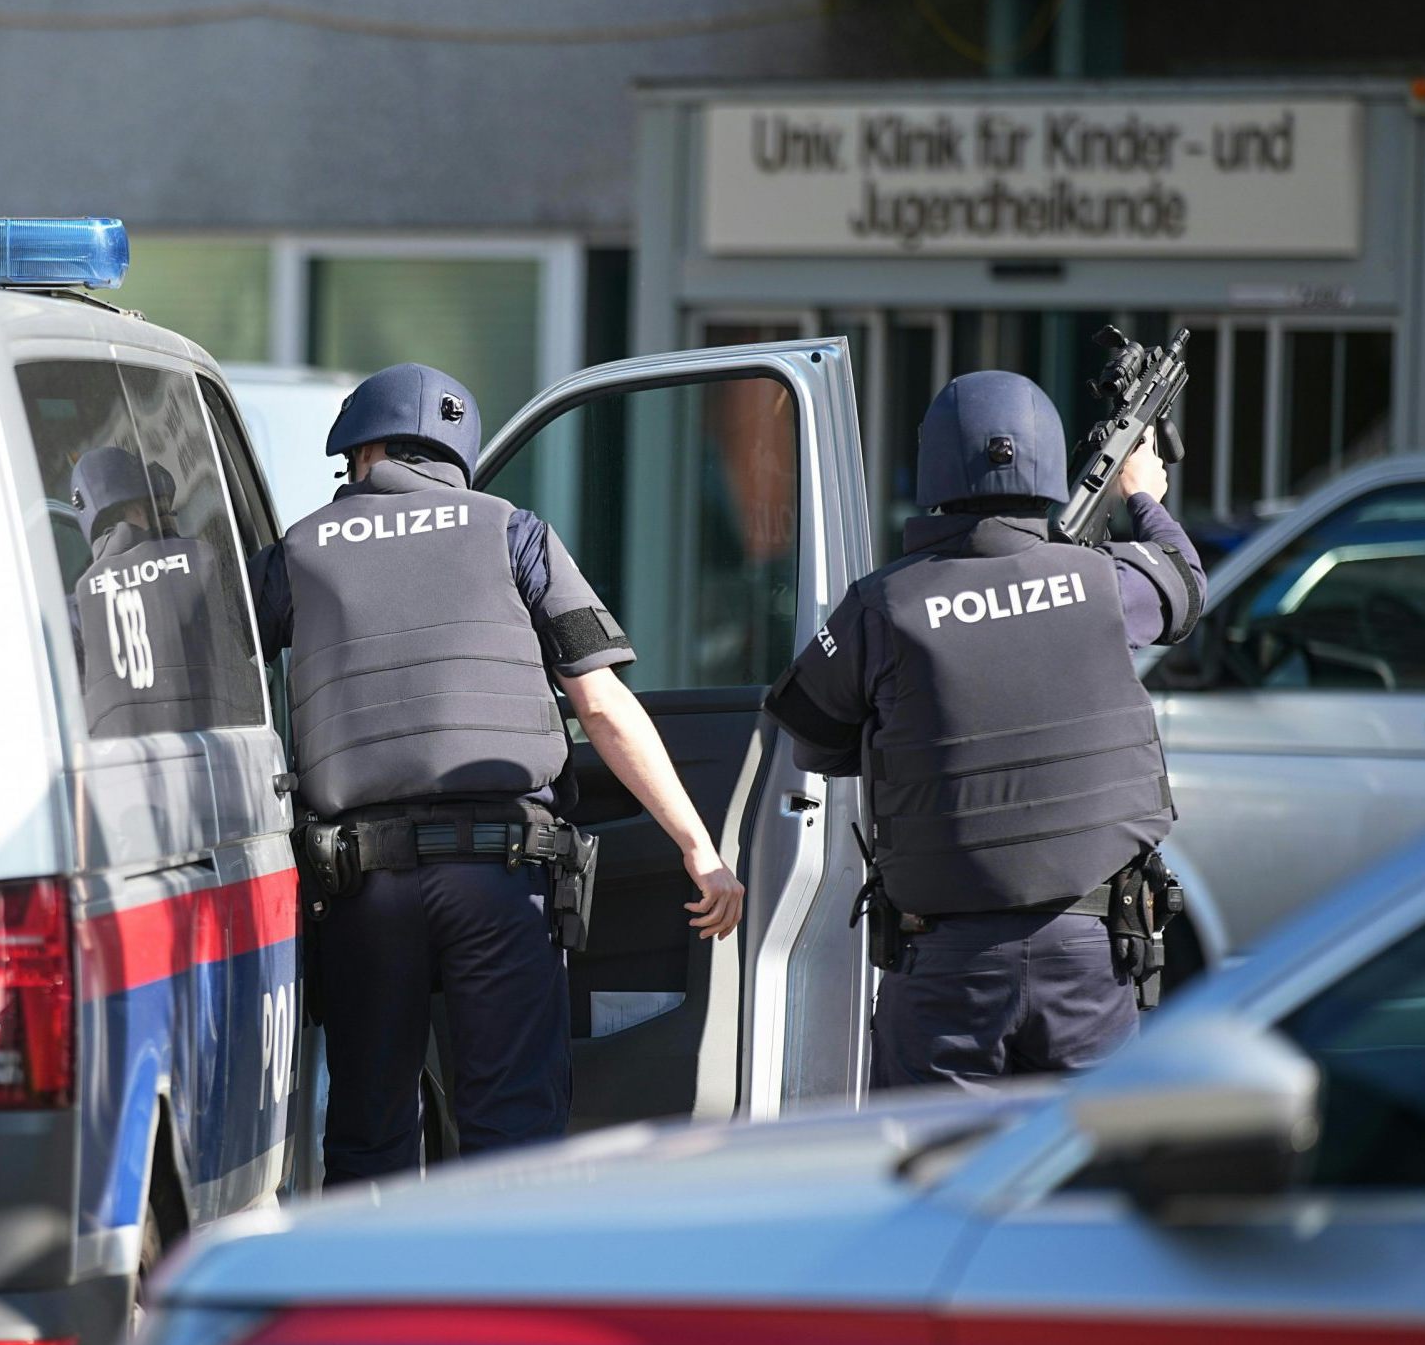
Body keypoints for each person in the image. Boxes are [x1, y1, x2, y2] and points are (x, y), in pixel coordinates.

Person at [247, 362, 743, 1185]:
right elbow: (600, 704)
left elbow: (215, 677)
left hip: (362, 887)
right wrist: (697, 847)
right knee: (510, 1131)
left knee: (368, 1132)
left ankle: (363, 1268)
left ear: (359, 450)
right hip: (500, 877)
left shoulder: (297, 549)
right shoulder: (512, 531)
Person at [763, 369, 1205, 1091]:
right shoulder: (1101, 582)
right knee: (1082, 1155)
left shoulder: (882, 605)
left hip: (945, 965)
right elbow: (1184, 584)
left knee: (930, 1156)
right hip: (1089, 954)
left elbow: (812, 738)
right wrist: (1145, 497)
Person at [67, 446, 241, 737]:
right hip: (223, 755)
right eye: (161, 512)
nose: (169, 525)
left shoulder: (76, 610)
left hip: (126, 765)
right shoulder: (202, 561)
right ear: (136, 509)